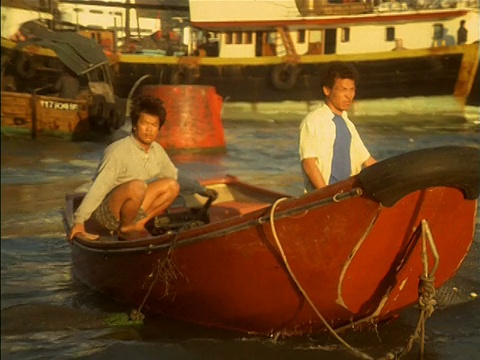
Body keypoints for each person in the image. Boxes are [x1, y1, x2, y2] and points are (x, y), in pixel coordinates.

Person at [69, 95, 181, 241]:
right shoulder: (118, 150)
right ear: (135, 125)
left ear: (159, 129)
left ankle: (138, 224)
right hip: (107, 213)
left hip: (132, 208)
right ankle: (126, 228)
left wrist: (199, 189)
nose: (149, 129)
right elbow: (99, 186)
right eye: (144, 124)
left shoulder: (157, 150)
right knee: (138, 186)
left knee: (172, 185)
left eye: (153, 125)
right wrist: (79, 221)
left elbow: (172, 175)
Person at [298, 61, 376, 192]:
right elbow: (309, 163)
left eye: (352, 90)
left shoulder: (349, 125)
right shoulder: (313, 120)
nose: (348, 95)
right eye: (343, 90)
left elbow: (368, 161)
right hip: (325, 198)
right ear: (327, 90)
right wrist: (326, 195)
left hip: (348, 195)